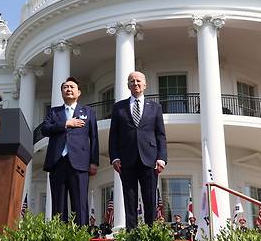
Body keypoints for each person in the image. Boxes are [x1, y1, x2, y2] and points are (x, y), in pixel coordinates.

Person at [109, 71, 168, 230]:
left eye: (138, 81)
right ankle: (131, 234)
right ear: (128, 85)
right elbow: (113, 135)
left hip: (149, 159)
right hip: (126, 160)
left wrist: (161, 158)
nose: (135, 83)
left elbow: (160, 135)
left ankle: (151, 233)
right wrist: (114, 157)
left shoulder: (155, 107)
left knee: (150, 199)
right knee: (129, 199)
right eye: (132, 81)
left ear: (145, 84)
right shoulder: (118, 107)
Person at [41, 77, 99, 226]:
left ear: (78, 92)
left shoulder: (88, 112)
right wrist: (66, 123)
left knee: (80, 203)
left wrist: (93, 162)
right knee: (58, 205)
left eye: (72, 87)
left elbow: (94, 137)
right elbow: (45, 129)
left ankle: (81, 239)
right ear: (61, 92)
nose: (68, 89)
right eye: (65, 87)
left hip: (80, 163)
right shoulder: (54, 112)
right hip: (57, 162)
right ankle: (60, 239)